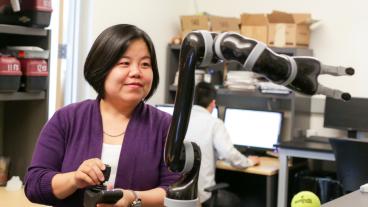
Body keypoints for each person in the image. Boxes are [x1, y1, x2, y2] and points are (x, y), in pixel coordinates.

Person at [24, 24, 180, 207]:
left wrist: (133, 198)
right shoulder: (66, 118)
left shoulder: (165, 126)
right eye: (124, 63)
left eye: (145, 64)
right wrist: (74, 179)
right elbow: (34, 185)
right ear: (102, 68)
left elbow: (176, 190)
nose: (136, 72)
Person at [184, 82, 260, 207]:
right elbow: (228, 154)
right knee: (237, 200)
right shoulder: (214, 123)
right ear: (213, 103)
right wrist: (249, 161)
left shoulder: (180, 120)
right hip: (202, 196)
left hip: (180, 193)